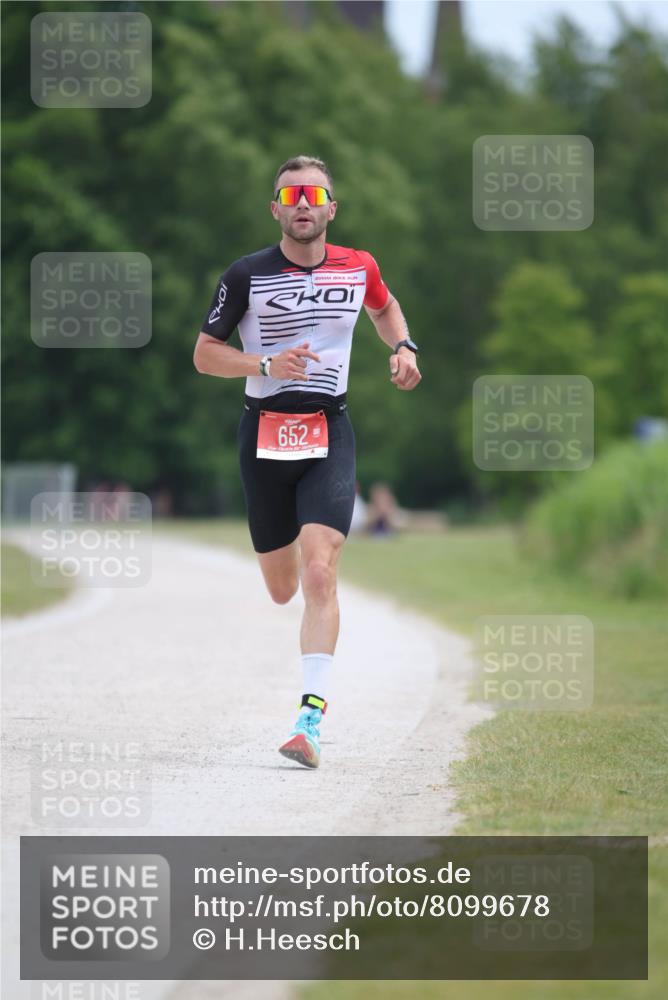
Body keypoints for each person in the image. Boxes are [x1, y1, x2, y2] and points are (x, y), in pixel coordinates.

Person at [193, 155, 421, 769]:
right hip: (263, 434)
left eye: (313, 194)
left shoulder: (359, 266)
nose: (302, 204)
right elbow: (205, 354)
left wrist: (402, 346)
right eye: (290, 195)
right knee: (282, 587)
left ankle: (309, 722)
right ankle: (289, 541)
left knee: (320, 575)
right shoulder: (246, 275)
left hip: (330, 431)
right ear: (276, 209)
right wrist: (264, 365)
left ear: (330, 208)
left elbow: (384, 306)